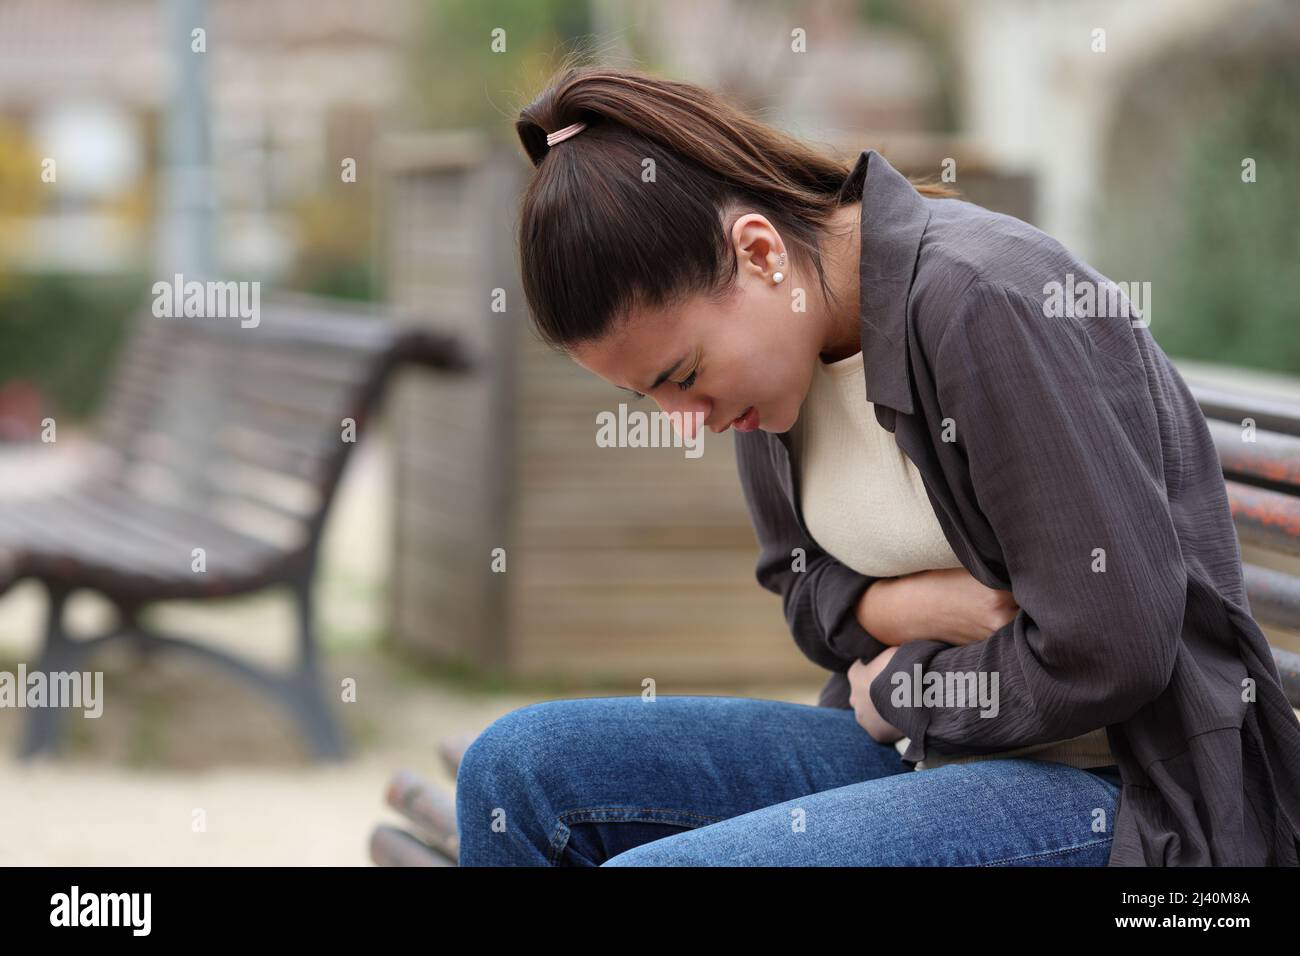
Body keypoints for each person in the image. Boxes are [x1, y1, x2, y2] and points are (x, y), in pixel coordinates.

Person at [455, 63, 1300, 866]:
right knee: (516, 771)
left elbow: (1108, 653)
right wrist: (909, 604)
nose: (688, 424)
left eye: (683, 376)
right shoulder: (777, 367)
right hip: (926, 760)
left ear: (758, 253)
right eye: (652, 397)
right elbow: (799, 591)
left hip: (1124, 800)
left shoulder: (981, 303)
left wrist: (904, 686)